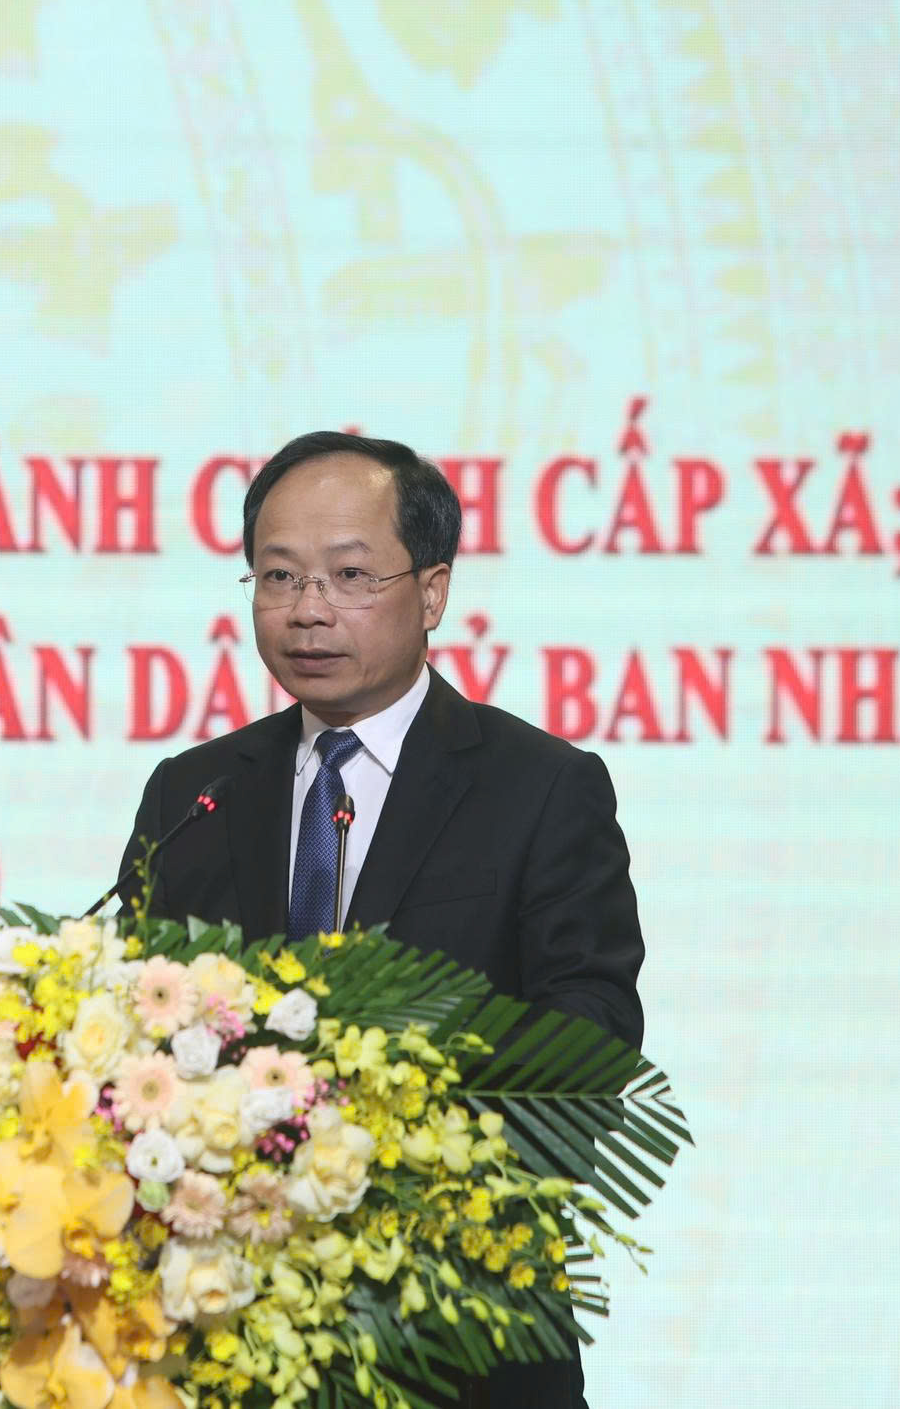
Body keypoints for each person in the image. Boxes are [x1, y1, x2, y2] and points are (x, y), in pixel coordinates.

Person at [115, 431, 645, 1409]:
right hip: (224, 1339)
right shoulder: (194, 794)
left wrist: (381, 1125)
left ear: (432, 591)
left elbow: (591, 1041)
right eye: (279, 576)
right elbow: (126, 1031)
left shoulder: (539, 789)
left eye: (350, 576)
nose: (308, 609)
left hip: (462, 1342)